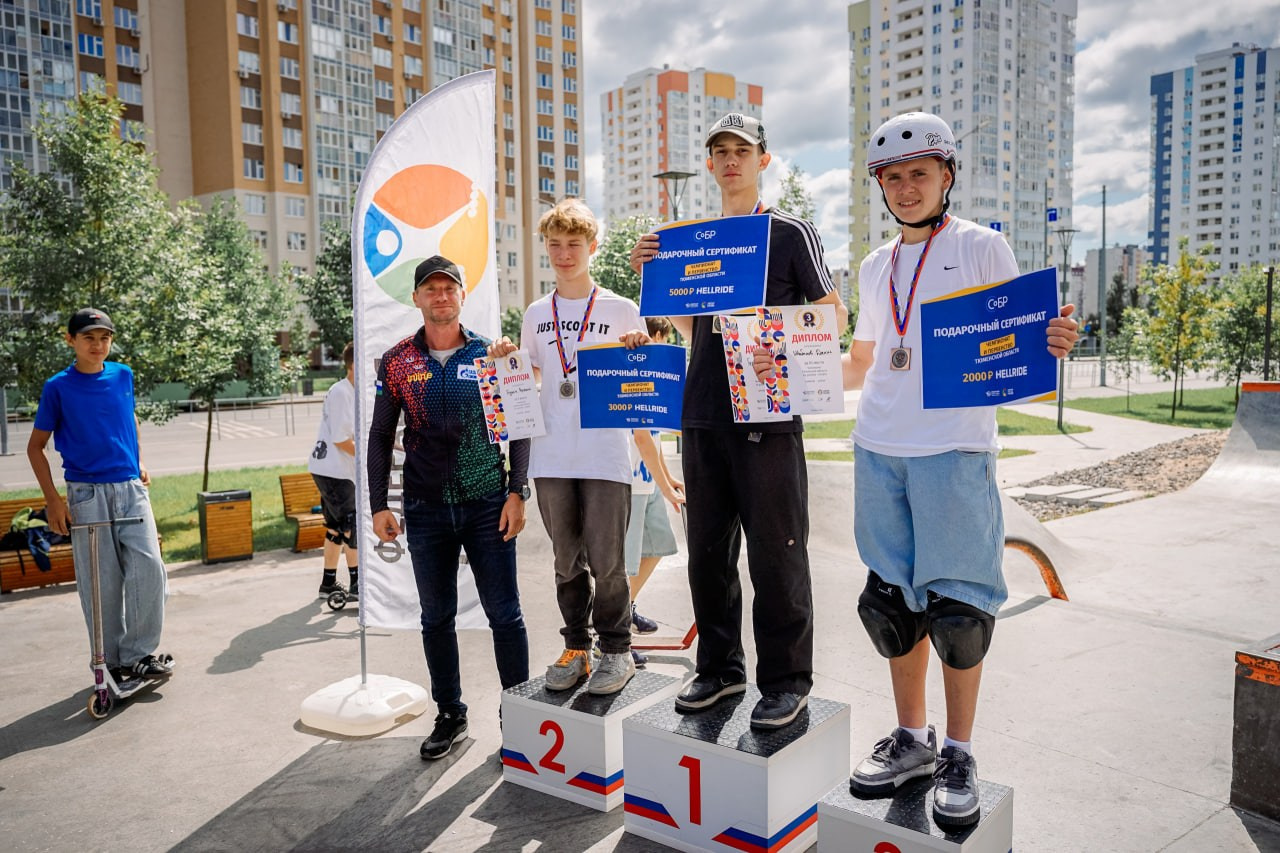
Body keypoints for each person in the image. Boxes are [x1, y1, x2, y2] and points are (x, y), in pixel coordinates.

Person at [833, 112, 1079, 827]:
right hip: (879, 448)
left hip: (954, 450)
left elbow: (1018, 348)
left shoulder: (981, 247)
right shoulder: (876, 266)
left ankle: (960, 751)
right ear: (880, 186)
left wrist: (1050, 343)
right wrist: (788, 370)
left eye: (919, 173)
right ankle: (912, 739)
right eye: (892, 177)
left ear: (946, 176)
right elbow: (862, 361)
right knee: (890, 605)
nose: (906, 187)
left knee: (961, 613)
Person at [629, 113, 848, 729]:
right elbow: (691, 329)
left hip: (768, 413)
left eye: (742, 151)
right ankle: (720, 669)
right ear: (709, 163)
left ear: (763, 161)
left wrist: (775, 341)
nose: (730, 160)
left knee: (777, 556)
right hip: (700, 412)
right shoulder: (689, 238)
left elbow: (833, 315)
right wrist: (656, 275)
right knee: (707, 554)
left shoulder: (788, 232)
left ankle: (785, 681)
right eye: (719, 151)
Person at [368, 255, 531, 761]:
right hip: (424, 507)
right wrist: (377, 504)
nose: (440, 296)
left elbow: (519, 426)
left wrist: (518, 491)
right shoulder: (396, 361)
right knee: (435, 616)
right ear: (416, 298)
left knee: (505, 615)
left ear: (462, 295)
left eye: (449, 288)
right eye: (430, 289)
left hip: (488, 504)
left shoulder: (491, 354)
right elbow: (379, 436)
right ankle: (450, 714)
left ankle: (520, 717)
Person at [489, 198, 643, 697]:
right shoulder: (536, 313)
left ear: (593, 247)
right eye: (554, 245)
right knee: (565, 560)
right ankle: (576, 647)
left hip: (605, 455)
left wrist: (640, 353)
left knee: (608, 560)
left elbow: (641, 383)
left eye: (573, 244)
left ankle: (616, 651)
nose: (563, 254)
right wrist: (506, 358)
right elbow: (525, 379)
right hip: (552, 454)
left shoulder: (622, 309)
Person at [26, 308, 172, 684]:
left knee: (150, 571)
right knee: (102, 584)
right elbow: (35, 447)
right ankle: (109, 661)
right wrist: (54, 501)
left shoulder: (123, 375)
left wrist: (137, 461)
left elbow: (130, 417)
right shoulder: (58, 387)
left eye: (104, 337)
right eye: (89, 337)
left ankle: (138, 656)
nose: (98, 344)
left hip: (130, 489)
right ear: (70, 340)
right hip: (86, 495)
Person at [624, 317, 686, 666]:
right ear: (656, 336)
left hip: (647, 481)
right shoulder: (635, 374)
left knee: (659, 546)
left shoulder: (653, 375)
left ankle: (625, 608)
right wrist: (666, 487)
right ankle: (610, 635)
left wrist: (668, 478)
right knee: (626, 563)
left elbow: (656, 436)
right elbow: (640, 437)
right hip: (631, 484)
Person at [308, 342, 358, 599]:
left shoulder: (351, 391)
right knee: (352, 525)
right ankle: (358, 583)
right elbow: (341, 439)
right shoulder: (342, 392)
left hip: (332, 469)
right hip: (334, 471)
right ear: (353, 365)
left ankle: (328, 583)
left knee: (336, 528)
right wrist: (367, 459)